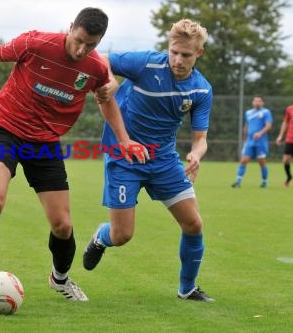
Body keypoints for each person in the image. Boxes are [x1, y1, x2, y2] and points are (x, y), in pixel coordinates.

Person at [0, 7, 146, 306]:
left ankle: (60, 279)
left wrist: (124, 139)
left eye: (91, 45)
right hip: (5, 128)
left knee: (63, 225)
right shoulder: (36, 43)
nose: (82, 49)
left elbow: (105, 101)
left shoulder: (95, 67)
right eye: (78, 40)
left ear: (99, 42)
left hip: (44, 143)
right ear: (70, 28)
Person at [82, 19, 215, 302]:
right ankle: (100, 238)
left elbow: (200, 138)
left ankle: (187, 288)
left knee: (193, 223)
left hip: (164, 161)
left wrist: (196, 153)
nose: (178, 60)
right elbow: (99, 58)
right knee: (122, 235)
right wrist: (110, 79)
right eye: (174, 52)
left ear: (199, 53)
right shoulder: (145, 63)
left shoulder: (202, 90)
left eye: (186, 55)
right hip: (124, 156)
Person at [231, 96, 273, 188]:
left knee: (261, 161)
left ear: (263, 103)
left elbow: (268, 125)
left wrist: (260, 133)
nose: (257, 102)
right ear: (253, 102)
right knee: (243, 160)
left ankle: (264, 181)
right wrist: (245, 138)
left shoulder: (266, 112)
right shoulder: (248, 113)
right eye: (255, 101)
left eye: (259, 101)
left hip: (261, 142)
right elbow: (246, 126)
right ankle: (238, 181)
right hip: (250, 141)